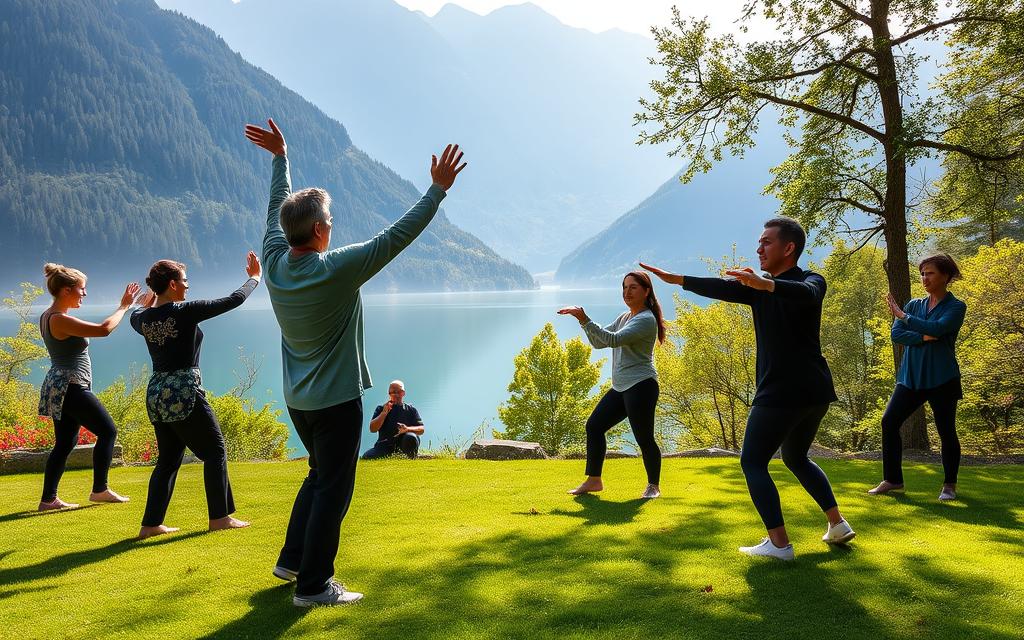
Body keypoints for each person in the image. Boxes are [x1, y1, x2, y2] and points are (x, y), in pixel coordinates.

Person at [245, 118, 466, 607]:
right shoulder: (337, 269)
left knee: (317, 476)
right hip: (337, 403)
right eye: (330, 220)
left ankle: (291, 560)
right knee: (333, 491)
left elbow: (274, 209)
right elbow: (395, 237)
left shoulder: (275, 262)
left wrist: (281, 159)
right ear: (321, 230)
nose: (332, 226)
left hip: (299, 403)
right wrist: (436, 192)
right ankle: (314, 586)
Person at [641, 216, 855, 561]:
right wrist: (676, 279)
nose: (758, 248)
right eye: (759, 242)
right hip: (814, 391)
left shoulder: (809, 280)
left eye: (766, 242)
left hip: (784, 391)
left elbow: (808, 293)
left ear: (789, 248)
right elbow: (721, 287)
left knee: (752, 462)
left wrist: (767, 285)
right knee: (796, 458)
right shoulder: (758, 289)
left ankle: (780, 545)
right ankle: (837, 524)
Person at [131, 254, 261, 539]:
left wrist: (148, 303)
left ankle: (150, 525)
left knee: (168, 459)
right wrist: (254, 278)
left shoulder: (143, 319)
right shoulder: (183, 311)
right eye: (185, 281)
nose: (188, 286)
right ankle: (220, 517)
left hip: (156, 394)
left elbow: (135, 314)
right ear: (174, 284)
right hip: (183, 392)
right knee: (215, 451)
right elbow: (233, 300)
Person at [37, 263, 138, 511]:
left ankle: (48, 500)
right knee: (108, 431)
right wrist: (124, 306)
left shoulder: (48, 316)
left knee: (64, 443)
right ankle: (100, 490)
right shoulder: (59, 320)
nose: (85, 294)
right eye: (82, 289)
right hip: (70, 386)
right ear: (66, 290)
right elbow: (104, 330)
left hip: (60, 385)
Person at [558, 272, 666, 499]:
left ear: (646, 291)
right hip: (621, 387)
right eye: (624, 287)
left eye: (633, 287)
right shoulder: (624, 317)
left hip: (641, 385)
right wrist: (582, 322)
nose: (627, 292)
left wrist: (585, 319)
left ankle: (653, 486)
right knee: (594, 426)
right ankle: (594, 480)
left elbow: (613, 340)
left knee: (644, 438)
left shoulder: (646, 319)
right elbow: (600, 341)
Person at [870, 254, 967, 501]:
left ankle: (949, 485)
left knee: (946, 431)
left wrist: (904, 317)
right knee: (889, 421)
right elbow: (897, 335)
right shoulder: (914, 305)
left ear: (945, 276)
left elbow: (938, 328)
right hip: (910, 377)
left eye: (930, 273)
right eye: (922, 273)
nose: (925, 278)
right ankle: (893, 480)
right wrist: (922, 337)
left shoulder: (956, 307)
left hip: (942, 377)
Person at [362, 380, 425, 460]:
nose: (396, 394)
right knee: (367, 457)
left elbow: (421, 429)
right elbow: (373, 429)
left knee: (411, 437)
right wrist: (384, 413)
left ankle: (411, 457)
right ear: (389, 394)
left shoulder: (411, 410)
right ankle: (394, 455)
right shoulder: (381, 408)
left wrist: (407, 429)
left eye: (399, 392)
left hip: (403, 443)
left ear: (403, 393)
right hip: (384, 444)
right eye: (393, 392)